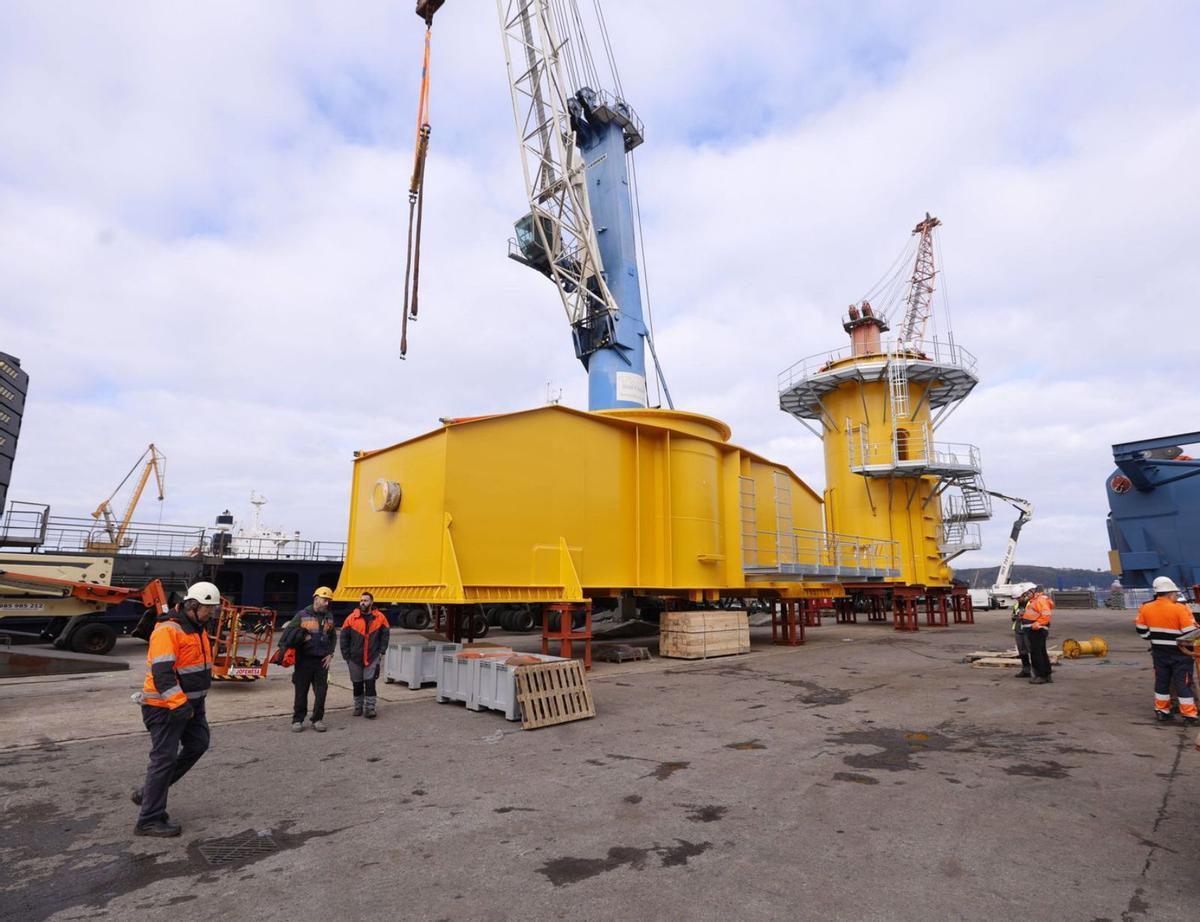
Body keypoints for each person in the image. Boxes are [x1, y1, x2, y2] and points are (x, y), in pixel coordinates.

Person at [131, 580, 218, 837]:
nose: (211, 614)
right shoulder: (168, 630)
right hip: (166, 707)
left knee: (198, 744)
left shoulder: (196, 626)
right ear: (192, 605)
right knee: (164, 760)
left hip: (191, 704)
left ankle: (149, 794)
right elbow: (163, 674)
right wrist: (179, 705)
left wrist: (192, 704)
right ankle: (148, 818)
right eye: (208, 609)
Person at [1134, 576, 1198, 724]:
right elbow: (1190, 633)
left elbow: (1142, 631)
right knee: (1183, 683)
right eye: (1176, 594)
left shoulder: (1145, 607)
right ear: (1169, 593)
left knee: (1161, 682)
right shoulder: (1180, 609)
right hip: (1181, 654)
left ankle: (1162, 711)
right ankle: (1189, 715)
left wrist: (1157, 637)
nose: (1176, 596)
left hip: (1159, 653)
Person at [280, 587, 338, 732]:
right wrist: (298, 640)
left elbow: (333, 636)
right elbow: (286, 637)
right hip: (304, 660)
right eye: (325, 600)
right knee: (301, 691)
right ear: (316, 598)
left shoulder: (329, 616)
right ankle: (298, 720)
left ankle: (317, 719)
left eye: (329, 601)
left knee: (321, 692)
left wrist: (330, 653)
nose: (327, 603)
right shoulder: (302, 615)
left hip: (322, 661)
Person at [340, 592, 390, 719]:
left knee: (370, 683)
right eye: (361, 600)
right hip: (354, 658)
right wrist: (346, 656)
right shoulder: (351, 618)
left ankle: (370, 708)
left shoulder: (380, 617)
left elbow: (385, 635)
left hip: (372, 657)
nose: (363, 602)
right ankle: (358, 707)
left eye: (366, 600)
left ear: (372, 602)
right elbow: (344, 638)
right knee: (356, 684)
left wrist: (382, 651)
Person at [1018, 586, 1055, 684]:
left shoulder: (1040, 600)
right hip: (1035, 630)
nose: (1027, 595)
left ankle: (1041, 675)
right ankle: (1046, 674)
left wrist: (1038, 623)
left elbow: (1046, 614)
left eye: (1028, 593)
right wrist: (1024, 615)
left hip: (1037, 630)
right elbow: (1035, 614)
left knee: (1036, 653)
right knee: (1041, 652)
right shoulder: (1035, 601)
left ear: (1034, 592)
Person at [1011, 599, 1032, 678]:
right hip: (1018, 630)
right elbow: (1013, 618)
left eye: (1019, 596)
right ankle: (1026, 670)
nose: (1018, 598)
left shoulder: (1031, 604)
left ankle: (1036, 670)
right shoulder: (1016, 605)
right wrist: (1015, 616)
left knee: (1031, 650)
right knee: (1022, 651)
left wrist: (1024, 616)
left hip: (1028, 630)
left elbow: (1034, 617)